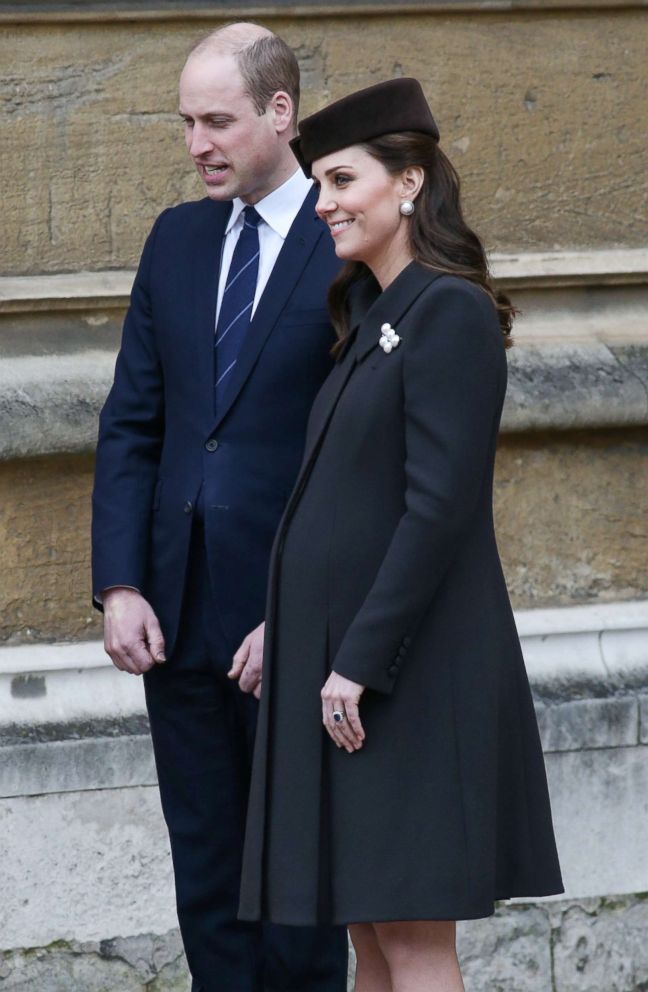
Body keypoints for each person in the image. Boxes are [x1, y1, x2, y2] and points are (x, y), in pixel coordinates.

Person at [237, 78, 564, 992]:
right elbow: (346, 508)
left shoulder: (448, 312)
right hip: (353, 667)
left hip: (404, 676)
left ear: (410, 182)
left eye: (342, 181)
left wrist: (359, 660)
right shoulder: (373, 318)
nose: (326, 205)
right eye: (320, 187)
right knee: (372, 937)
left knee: (414, 941)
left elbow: (437, 510)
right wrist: (286, 621)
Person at [91, 23, 348, 992]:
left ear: (281, 113)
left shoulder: (347, 239)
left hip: (291, 626)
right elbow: (135, 424)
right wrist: (120, 581)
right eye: (185, 121)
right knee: (207, 887)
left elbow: (364, 458)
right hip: (176, 618)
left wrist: (307, 610)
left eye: (218, 121)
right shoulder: (176, 237)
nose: (197, 142)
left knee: (297, 904)